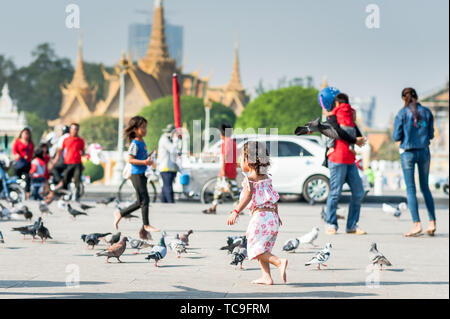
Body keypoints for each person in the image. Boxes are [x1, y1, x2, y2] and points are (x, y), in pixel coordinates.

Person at [227, 141, 287, 285]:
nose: (240, 161)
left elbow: (248, 196)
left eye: (242, 158)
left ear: (249, 161)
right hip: (272, 217)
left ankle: (279, 262)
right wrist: (277, 215)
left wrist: (235, 211)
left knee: (254, 248)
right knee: (263, 247)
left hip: (260, 218)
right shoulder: (267, 178)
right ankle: (266, 277)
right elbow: (274, 197)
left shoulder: (250, 179)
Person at [393, 87, 436, 237]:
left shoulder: (401, 114)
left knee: (411, 189)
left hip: (408, 153)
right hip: (424, 151)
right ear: (417, 97)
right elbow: (430, 135)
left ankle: (417, 224)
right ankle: (432, 222)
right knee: (425, 187)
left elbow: (396, 136)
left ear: (403, 99)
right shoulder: (427, 112)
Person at [323, 93, 367, 235]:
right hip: (343, 158)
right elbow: (352, 135)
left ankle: (344, 225)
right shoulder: (343, 116)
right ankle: (340, 224)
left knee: (338, 193)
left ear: (336, 103)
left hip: (343, 158)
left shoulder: (334, 115)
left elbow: (337, 132)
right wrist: (356, 141)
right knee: (354, 192)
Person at [114, 116, 160, 233]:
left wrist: (150, 156)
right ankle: (146, 225)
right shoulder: (134, 143)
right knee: (144, 200)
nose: (145, 130)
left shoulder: (141, 141)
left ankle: (120, 213)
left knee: (141, 201)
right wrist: (145, 162)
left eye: (145, 127)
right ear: (135, 129)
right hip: (136, 174)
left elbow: (142, 157)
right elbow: (130, 159)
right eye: (142, 127)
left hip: (142, 174)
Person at [203, 123, 239, 214]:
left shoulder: (225, 143)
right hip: (232, 170)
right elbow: (236, 156)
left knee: (219, 189)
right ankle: (237, 208)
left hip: (226, 170)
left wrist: (222, 169)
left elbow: (225, 156)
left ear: (222, 133)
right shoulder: (234, 143)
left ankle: (214, 207)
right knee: (233, 190)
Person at [52, 123, 85, 201]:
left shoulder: (80, 140)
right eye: (73, 129)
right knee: (66, 179)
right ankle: (65, 194)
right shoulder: (66, 139)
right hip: (68, 163)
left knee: (77, 180)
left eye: (76, 129)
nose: (75, 131)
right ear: (70, 129)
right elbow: (60, 151)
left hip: (77, 163)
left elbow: (82, 152)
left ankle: (76, 196)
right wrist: (55, 160)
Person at [157, 124, 178, 203]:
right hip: (165, 167)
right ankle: (170, 203)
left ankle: (164, 203)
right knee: (168, 187)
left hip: (170, 167)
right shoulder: (164, 139)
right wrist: (175, 140)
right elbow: (172, 149)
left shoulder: (169, 139)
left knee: (165, 187)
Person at [12, 128, 34, 200]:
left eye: (27, 133)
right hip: (19, 163)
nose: (26, 135)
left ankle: (27, 195)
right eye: (24, 133)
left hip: (27, 163)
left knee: (28, 178)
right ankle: (17, 191)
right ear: (21, 134)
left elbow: (32, 153)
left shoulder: (30, 143)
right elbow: (14, 151)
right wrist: (17, 155)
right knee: (17, 178)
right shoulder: (17, 142)